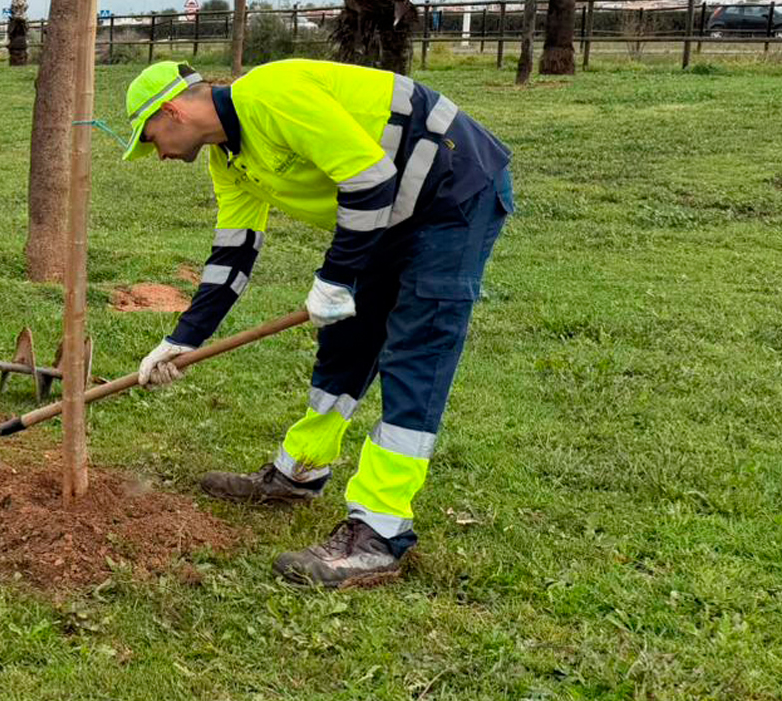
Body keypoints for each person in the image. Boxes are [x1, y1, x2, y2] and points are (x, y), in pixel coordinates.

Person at [119, 58, 514, 587]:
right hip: (388, 208)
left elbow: (369, 178)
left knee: (414, 354)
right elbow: (232, 257)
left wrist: (336, 277)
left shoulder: (271, 94)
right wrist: (179, 340)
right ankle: (300, 470)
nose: (158, 154)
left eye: (150, 138)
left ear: (171, 111)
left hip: (452, 191)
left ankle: (379, 532)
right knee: (346, 342)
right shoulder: (229, 160)